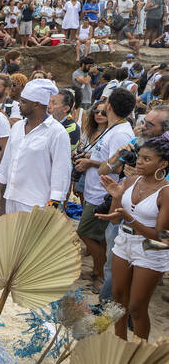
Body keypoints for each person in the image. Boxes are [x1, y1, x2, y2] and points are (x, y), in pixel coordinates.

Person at [95, 135, 169, 341]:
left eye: (147, 159)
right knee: (118, 301)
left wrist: (131, 220)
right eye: (140, 157)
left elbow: (163, 238)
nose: (139, 162)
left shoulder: (165, 192)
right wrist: (117, 198)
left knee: (137, 307)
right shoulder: (130, 181)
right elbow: (116, 221)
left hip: (151, 248)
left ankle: (139, 352)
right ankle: (121, 345)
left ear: (163, 164)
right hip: (124, 241)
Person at [74, 88, 135, 293]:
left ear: (109, 105)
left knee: (86, 233)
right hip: (96, 191)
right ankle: (97, 271)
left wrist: (91, 163)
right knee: (95, 236)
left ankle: (99, 275)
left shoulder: (121, 133)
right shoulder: (113, 128)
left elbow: (118, 167)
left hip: (104, 194)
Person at [0, 79, 72, 214]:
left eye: (23, 102)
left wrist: (52, 206)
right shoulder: (17, 127)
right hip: (12, 199)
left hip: (36, 205)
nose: (19, 105)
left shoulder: (57, 132)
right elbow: (7, 161)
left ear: (36, 105)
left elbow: (61, 172)